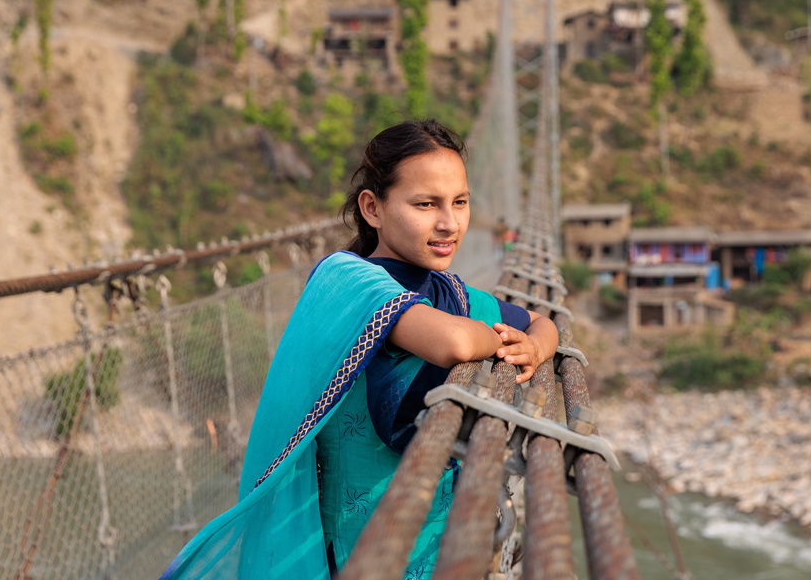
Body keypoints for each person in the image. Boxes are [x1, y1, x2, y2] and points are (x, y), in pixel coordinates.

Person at [159, 120, 559, 580]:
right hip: (360, 552)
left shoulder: (451, 292)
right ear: (372, 209)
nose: (449, 222)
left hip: (439, 544)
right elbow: (453, 342)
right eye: (425, 204)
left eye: (460, 202)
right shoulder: (350, 281)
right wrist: (498, 339)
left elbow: (539, 322)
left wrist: (532, 345)